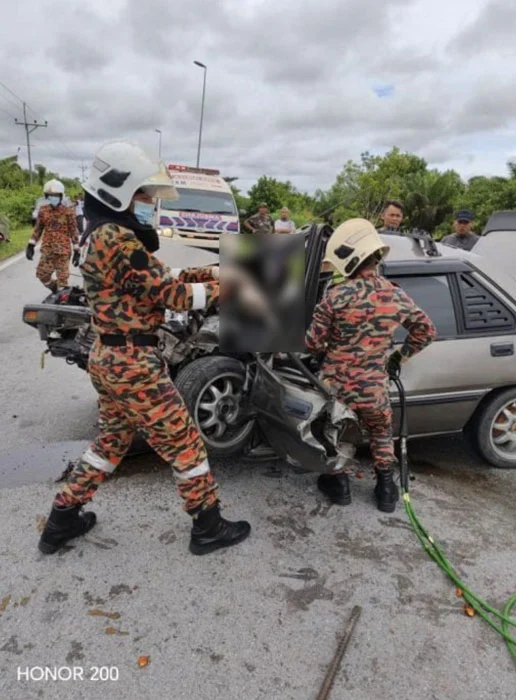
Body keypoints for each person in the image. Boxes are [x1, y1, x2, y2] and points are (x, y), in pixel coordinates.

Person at [38, 140, 251, 556]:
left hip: (110, 357)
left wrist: (212, 269)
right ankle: (207, 526)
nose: (149, 203)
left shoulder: (103, 233)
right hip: (133, 363)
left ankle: (61, 520)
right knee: (186, 442)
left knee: (112, 442)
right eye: (142, 195)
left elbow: (156, 275)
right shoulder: (117, 238)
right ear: (117, 191)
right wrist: (229, 286)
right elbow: (171, 294)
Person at [306, 218, 436, 513]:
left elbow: (313, 344)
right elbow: (426, 331)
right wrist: (396, 357)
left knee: (333, 431)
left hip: (337, 389)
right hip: (374, 389)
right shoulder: (396, 294)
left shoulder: (335, 297)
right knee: (380, 432)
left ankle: (338, 484)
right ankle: (386, 489)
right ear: (376, 256)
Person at [25, 180, 80, 293]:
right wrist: (31, 245)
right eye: (50, 195)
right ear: (46, 196)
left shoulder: (68, 212)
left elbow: (74, 231)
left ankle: (62, 298)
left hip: (63, 252)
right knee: (42, 275)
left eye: (56, 195)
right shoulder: (43, 210)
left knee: (62, 280)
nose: (53, 198)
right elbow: (38, 229)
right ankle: (56, 290)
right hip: (47, 250)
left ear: (61, 196)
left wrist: (77, 250)